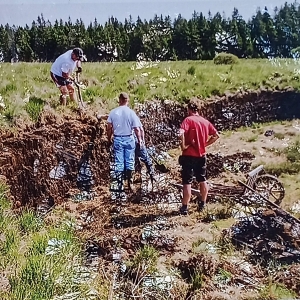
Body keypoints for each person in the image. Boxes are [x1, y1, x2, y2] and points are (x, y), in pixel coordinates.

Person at [178, 99, 219, 215]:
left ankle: (185, 207)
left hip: (189, 155)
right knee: (202, 179)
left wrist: (183, 146)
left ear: (189, 109)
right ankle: (202, 203)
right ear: (198, 109)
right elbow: (216, 135)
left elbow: (180, 133)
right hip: (201, 155)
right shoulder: (205, 122)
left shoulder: (188, 120)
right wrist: (204, 144)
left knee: (187, 182)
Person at [107, 92, 143, 194]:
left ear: (120, 100)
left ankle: (120, 184)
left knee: (119, 162)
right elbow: (137, 128)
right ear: (127, 100)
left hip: (118, 138)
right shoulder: (131, 113)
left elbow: (109, 127)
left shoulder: (113, 112)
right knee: (129, 161)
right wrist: (140, 140)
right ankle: (130, 183)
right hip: (129, 138)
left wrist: (109, 138)